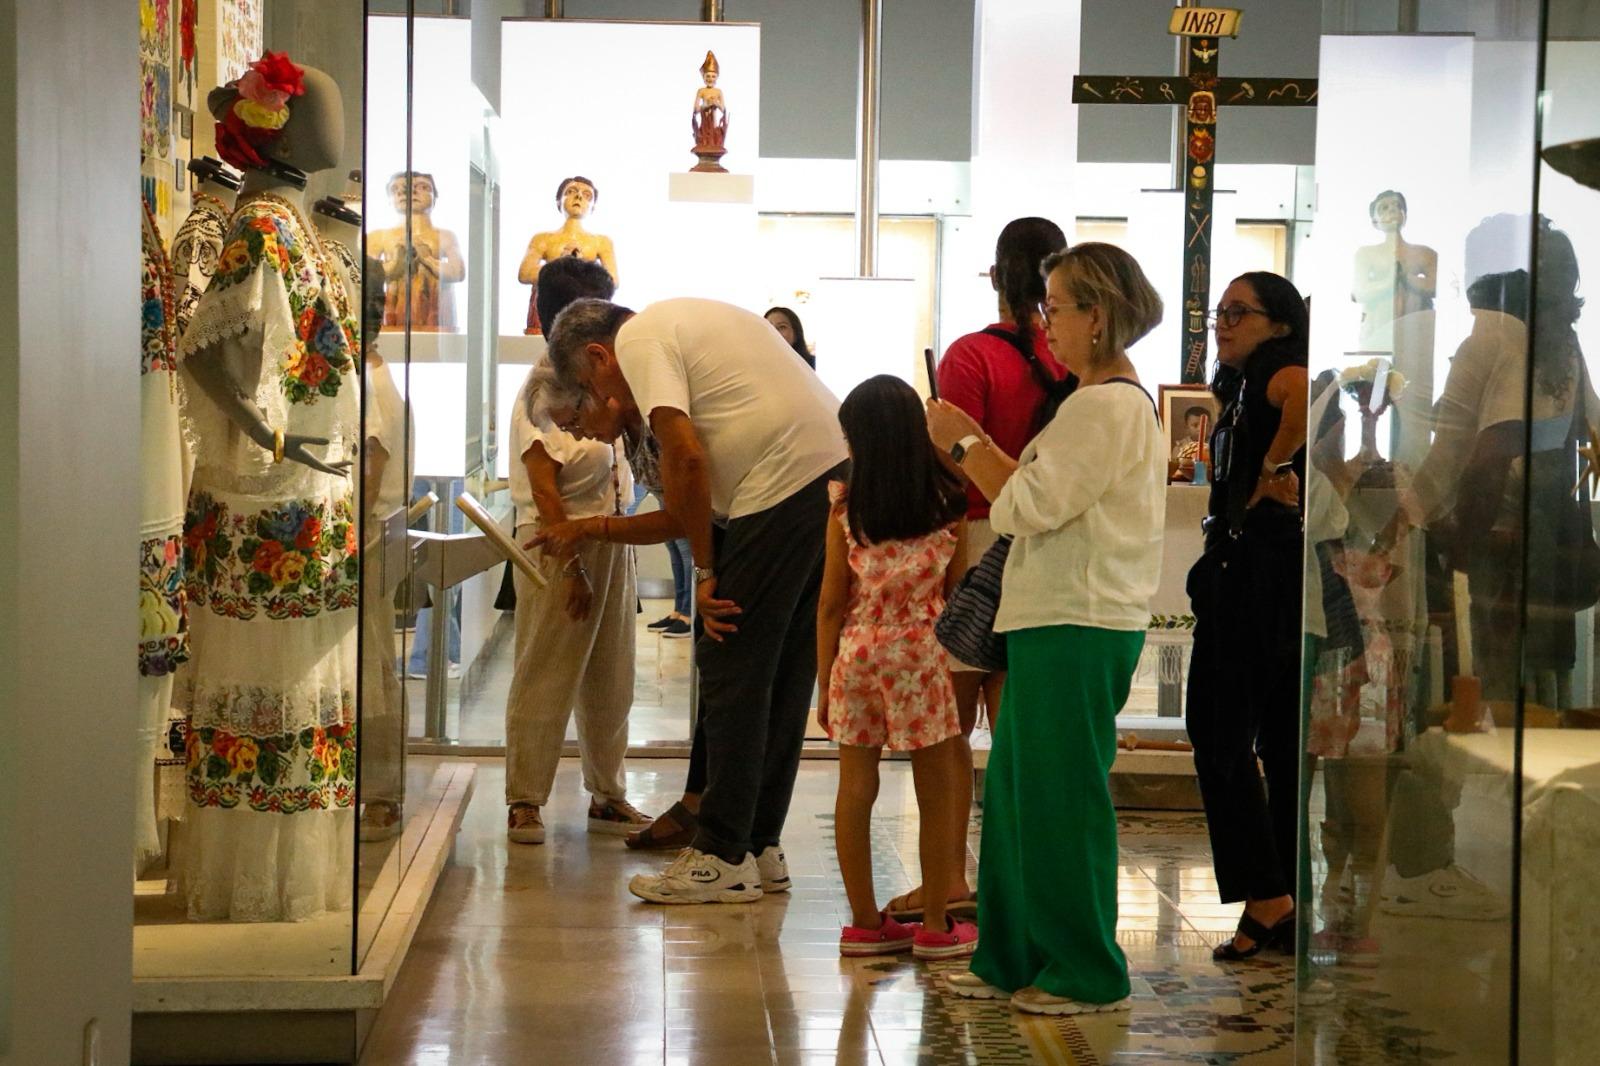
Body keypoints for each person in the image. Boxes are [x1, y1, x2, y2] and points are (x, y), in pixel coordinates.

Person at [926, 243, 1166, 1014]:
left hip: (1080, 617)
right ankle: (1014, 954)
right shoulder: (1092, 404)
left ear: (1097, 316)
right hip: (1052, 614)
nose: (1045, 324)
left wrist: (963, 442)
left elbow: (1026, 505)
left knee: (1061, 797)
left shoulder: (1107, 407)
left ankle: (1084, 967)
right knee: (1022, 794)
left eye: (1055, 307)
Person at [546, 297, 848, 904]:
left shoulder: (640, 340)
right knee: (784, 667)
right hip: (829, 469)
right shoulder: (683, 325)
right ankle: (760, 846)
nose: (601, 404)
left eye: (588, 387)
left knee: (731, 656)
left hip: (781, 480)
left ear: (598, 355)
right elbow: (686, 502)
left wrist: (705, 573)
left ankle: (720, 855)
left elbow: (686, 455)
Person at [893, 216, 1071, 923]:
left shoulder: (970, 357)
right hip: (1042, 544)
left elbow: (949, 460)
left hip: (971, 539)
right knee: (1015, 729)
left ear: (996, 277)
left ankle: (949, 882)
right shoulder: (1068, 361)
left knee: (946, 727)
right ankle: (1018, 881)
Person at [819, 376, 975, 960]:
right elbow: (957, 593)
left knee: (855, 787)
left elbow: (832, 601)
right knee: (937, 790)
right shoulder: (948, 501)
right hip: (924, 653)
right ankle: (936, 924)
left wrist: (823, 683)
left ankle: (865, 923)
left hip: (857, 652)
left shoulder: (843, 502)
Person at [504, 257, 654, 845]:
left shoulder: (604, 378)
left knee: (612, 676)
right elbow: (545, 490)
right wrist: (572, 572)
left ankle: (607, 793)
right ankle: (525, 799)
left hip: (610, 538)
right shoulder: (544, 387)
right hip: (556, 543)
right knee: (546, 672)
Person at [1185, 272, 1310, 961]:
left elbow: (1301, 390)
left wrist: (1275, 460)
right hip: (1270, 574)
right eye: (1219, 312)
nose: (1223, 323)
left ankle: (1268, 895)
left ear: (1279, 323)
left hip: (1257, 576)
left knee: (1217, 733)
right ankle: (1283, 897)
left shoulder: (1277, 370)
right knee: (1272, 744)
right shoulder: (1240, 386)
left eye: (1239, 312)